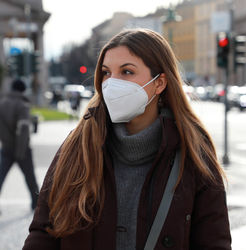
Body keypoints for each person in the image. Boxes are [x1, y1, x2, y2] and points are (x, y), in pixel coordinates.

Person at [23, 29, 231, 249]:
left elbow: (214, 242)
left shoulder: (193, 152)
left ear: (159, 83)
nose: (111, 83)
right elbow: (42, 234)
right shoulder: (77, 146)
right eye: (106, 72)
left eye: (127, 72)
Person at [0, 79, 39, 216]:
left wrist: (5, 142)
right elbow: (23, 129)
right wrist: (20, 151)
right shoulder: (22, 105)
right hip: (22, 149)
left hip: (6, 147)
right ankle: (37, 203)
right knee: (30, 177)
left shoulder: (1, 104)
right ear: (22, 90)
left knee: (0, 176)